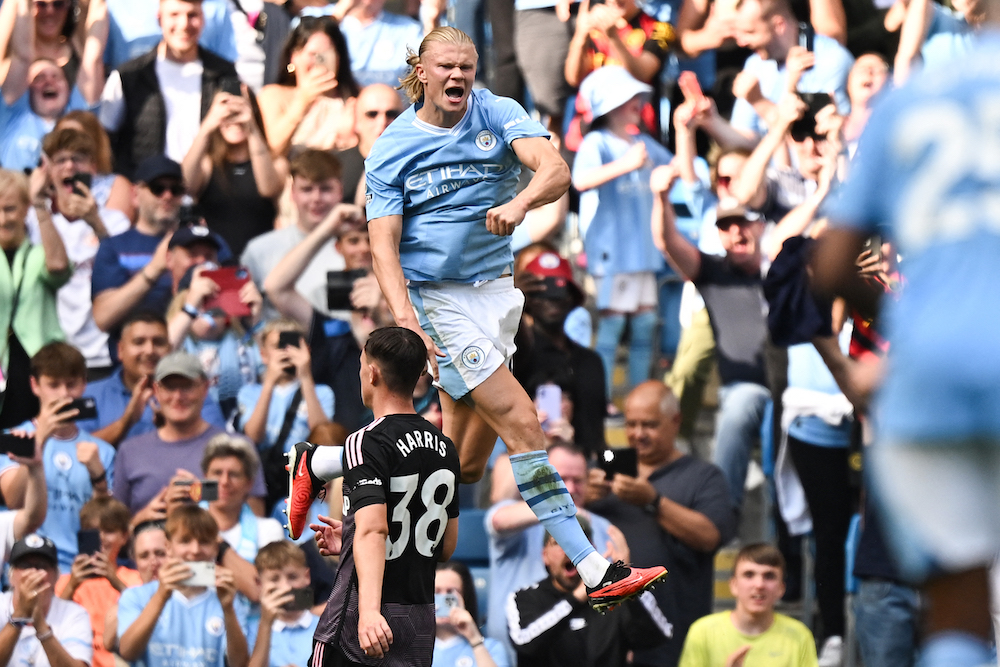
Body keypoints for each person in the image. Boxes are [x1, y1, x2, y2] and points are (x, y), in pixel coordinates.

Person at [355, 25, 665, 610]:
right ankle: (595, 567)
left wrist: (520, 202)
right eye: (445, 67)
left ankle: (322, 464)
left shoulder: (496, 112)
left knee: (466, 466)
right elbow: (382, 247)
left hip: (496, 297)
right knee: (524, 421)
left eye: (466, 68)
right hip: (436, 300)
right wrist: (407, 324)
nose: (457, 78)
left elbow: (554, 169)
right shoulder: (393, 147)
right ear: (421, 72)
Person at [811, 24, 1000, 666]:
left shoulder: (909, 100)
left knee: (957, 610)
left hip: (929, 386)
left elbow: (831, 266)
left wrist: (906, 330)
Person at [300, 327, 461, 666]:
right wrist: (348, 539)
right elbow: (443, 547)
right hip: (417, 624)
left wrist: (370, 612)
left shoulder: (366, 441)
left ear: (371, 372)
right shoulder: (445, 447)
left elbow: (374, 530)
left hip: (361, 618)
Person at [588, 381, 736, 667]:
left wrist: (654, 502)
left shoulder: (704, 476)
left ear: (676, 422)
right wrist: (583, 496)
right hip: (607, 638)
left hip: (673, 635)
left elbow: (710, 536)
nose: (637, 434)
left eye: (649, 425)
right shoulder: (606, 469)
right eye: (631, 424)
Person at [653, 190, 773, 512]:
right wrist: (661, 196)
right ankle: (719, 515)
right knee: (738, 408)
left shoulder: (782, 269)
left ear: (761, 226)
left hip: (792, 391)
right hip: (745, 388)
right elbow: (667, 242)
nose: (736, 232)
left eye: (743, 223)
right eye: (725, 227)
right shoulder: (714, 271)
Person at [573, 66, 672, 401]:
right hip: (612, 252)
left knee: (645, 327)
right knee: (612, 327)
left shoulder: (642, 142)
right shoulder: (596, 142)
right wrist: (627, 165)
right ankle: (600, 402)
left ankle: (636, 400)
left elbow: (675, 167)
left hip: (643, 251)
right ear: (610, 104)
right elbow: (580, 181)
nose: (637, 102)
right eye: (629, 97)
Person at [484, 442, 618, 664]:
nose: (571, 488)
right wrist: (560, 508)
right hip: (510, 658)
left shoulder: (603, 527)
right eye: (562, 479)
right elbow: (498, 520)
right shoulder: (521, 518)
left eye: (578, 481)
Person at [263, 204, 383, 432]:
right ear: (338, 247)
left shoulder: (402, 296)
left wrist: (381, 312)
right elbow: (275, 287)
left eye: (370, 239)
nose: (364, 248)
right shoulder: (322, 299)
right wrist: (328, 227)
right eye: (353, 240)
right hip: (339, 430)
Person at [0, 342, 115, 573]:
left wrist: (99, 479)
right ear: (35, 385)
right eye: (53, 384)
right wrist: (39, 439)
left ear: (84, 384)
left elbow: (109, 526)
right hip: (28, 565)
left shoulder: (102, 451)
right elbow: (13, 500)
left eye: (71, 384)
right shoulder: (13, 438)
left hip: (82, 570)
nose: (63, 394)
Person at [113, 351, 266, 520]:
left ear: (205, 388)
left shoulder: (237, 446)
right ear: (156, 390)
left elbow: (256, 519)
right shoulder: (130, 450)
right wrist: (140, 519)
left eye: (187, 387)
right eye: (170, 387)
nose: (178, 397)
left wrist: (203, 498)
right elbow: (115, 529)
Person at [99, 0, 243, 178]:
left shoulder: (224, 75)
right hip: (145, 192)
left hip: (206, 194)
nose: (184, 24)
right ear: (159, 19)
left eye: (192, 15)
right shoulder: (128, 76)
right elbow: (105, 141)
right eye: (174, 15)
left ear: (203, 19)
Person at [28, 128, 131, 376]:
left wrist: (95, 222)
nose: (70, 167)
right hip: (56, 352)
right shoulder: (34, 220)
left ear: (93, 168)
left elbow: (128, 276)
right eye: (61, 160)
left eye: (78, 159)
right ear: (48, 170)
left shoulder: (115, 221)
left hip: (105, 351)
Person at [508, 517, 672, 667]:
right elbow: (524, 642)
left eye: (580, 542)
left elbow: (660, 635)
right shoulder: (525, 597)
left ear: (593, 551)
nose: (569, 550)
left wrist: (629, 585)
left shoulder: (614, 597)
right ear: (545, 555)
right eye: (558, 543)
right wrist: (576, 598)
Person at [117, 504, 250, 667]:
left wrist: (228, 609)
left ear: (215, 548)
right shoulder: (136, 596)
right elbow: (128, 652)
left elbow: (239, 664)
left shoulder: (228, 599)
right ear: (168, 547)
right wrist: (161, 597)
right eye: (185, 541)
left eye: (204, 542)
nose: (195, 550)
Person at [512, 249, 606, 458]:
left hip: (585, 473)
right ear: (527, 302)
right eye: (539, 293)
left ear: (572, 298)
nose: (550, 300)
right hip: (532, 467)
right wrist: (512, 300)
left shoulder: (591, 362)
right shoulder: (520, 355)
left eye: (558, 291)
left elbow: (598, 433)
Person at [82, 312, 227, 446]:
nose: (150, 350)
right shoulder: (90, 394)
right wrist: (126, 422)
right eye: (139, 342)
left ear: (170, 349)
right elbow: (73, 453)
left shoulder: (192, 393)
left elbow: (218, 446)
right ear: (120, 350)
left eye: (158, 342)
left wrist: (175, 426)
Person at [241, 149, 349, 321]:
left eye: (325, 189)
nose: (316, 198)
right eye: (307, 189)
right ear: (292, 193)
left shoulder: (358, 248)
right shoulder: (259, 249)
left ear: (340, 191)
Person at [0, 169, 71, 430]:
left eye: (10, 209)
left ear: (24, 209)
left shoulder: (39, 254)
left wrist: (40, 205)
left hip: (39, 369)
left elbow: (58, 266)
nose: (3, 219)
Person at [236, 320, 334, 507]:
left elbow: (321, 434)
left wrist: (305, 375)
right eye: (278, 346)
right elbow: (253, 436)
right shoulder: (249, 392)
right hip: (265, 477)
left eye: (293, 345)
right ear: (263, 355)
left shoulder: (322, 393)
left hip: (304, 477)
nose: (286, 351)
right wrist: (269, 382)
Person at [90, 155, 184, 351]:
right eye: (157, 188)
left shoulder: (202, 243)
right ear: (135, 194)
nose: (167, 196)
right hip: (132, 364)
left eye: (175, 189)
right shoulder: (114, 247)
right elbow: (103, 317)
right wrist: (154, 269)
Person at [0, 0, 106, 172]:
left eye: (56, 77)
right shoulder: (11, 117)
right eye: (39, 78)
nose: (49, 81)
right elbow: (22, 55)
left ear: (68, 89)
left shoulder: (78, 114)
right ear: (26, 91)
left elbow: (93, 59)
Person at [729, 0, 854, 143]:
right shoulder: (755, 64)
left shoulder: (828, 58)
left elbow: (808, 133)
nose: (742, 42)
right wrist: (708, 119)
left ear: (779, 25)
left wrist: (759, 102)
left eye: (750, 32)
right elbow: (746, 139)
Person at [183, 87, 284, 259]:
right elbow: (185, 185)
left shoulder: (276, 162)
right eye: (228, 113)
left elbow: (268, 189)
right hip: (217, 260)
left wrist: (251, 127)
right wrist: (207, 126)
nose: (235, 119)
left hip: (264, 260)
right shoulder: (208, 165)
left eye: (240, 110)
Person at [678, 543, 819, 667]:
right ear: (733, 585)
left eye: (769, 576)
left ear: (781, 589)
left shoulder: (799, 636)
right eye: (749, 575)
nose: (759, 585)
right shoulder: (703, 632)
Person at [56, 497, 142, 667]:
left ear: (124, 536)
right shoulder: (65, 581)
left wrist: (115, 581)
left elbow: (146, 618)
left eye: (109, 531)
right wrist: (72, 586)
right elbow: (51, 623)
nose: (101, 538)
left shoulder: (135, 579)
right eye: (94, 532)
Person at [257, 16, 360, 156]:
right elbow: (272, 151)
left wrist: (349, 139)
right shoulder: (273, 96)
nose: (318, 61)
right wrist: (303, 101)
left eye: (326, 54)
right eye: (313, 54)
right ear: (293, 56)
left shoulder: (357, 98)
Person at [0, 534, 93, 667]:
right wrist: (19, 616)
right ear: (11, 576)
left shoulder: (74, 614)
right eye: (25, 566)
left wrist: (41, 627)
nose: (33, 572)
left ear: (56, 576)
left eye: (42, 566)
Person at [247, 541, 321, 667]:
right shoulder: (251, 630)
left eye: (292, 577)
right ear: (259, 583)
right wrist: (266, 624)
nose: (286, 587)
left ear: (306, 576)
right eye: (274, 579)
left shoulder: (325, 628)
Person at [101, 520, 169, 656]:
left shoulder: (189, 595)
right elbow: (108, 641)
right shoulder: (129, 599)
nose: (153, 562)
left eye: (160, 553)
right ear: (135, 562)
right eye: (144, 556)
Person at [54, 111, 135, 217]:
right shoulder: (44, 186)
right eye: (62, 139)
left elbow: (117, 231)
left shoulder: (115, 185)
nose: (70, 146)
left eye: (76, 140)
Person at [333, 0, 423, 92]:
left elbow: (428, 63)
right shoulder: (327, 18)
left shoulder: (409, 29)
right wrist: (338, 16)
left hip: (390, 103)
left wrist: (431, 21)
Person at [434, 561, 508, 667]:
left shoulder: (491, 648)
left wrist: (474, 639)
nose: (443, 599)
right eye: (436, 592)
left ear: (464, 598)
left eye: (451, 592)